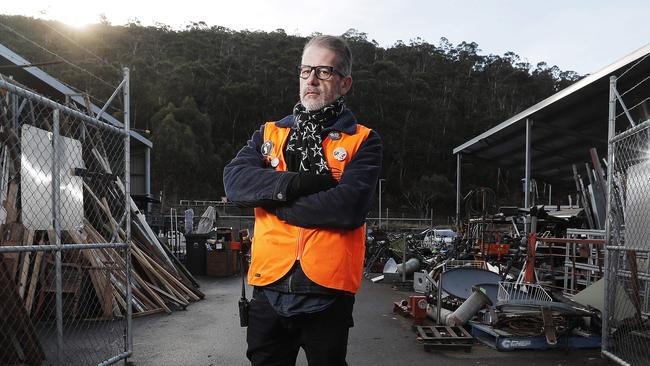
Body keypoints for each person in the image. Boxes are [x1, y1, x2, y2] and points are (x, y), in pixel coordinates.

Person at [223, 35, 382, 366]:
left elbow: (348, 208)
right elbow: (235, 182)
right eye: (305, 70)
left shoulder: (363, 140)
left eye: (323, 71)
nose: (311, 79)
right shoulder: (269, 134)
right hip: (269, 288)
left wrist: (272, 203)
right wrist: (297, 182)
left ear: (344, 83)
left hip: (327, 291)